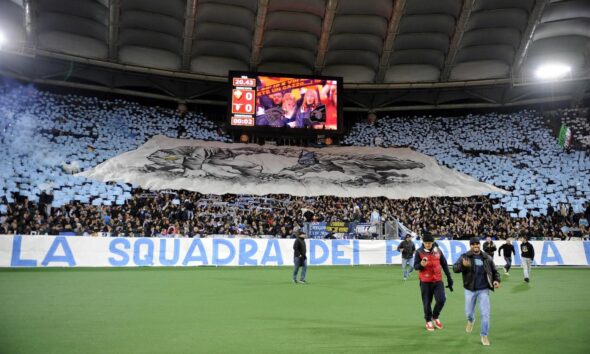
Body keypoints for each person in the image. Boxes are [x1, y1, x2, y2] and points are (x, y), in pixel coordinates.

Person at [453, 237, 500, 346]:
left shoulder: (486, 257)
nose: (475, 246)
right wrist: (463, 266)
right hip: (470, 289)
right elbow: (455, 268)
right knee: (469, 313)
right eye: (473, 244)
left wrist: (496, 280)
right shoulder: (465, 256)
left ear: (479, 244)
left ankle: (484, 335)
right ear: (470, 246)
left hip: (483, 289)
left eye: (477, 244)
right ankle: (471, 320)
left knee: (485, 314)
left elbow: (495, 271)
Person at [413, 234, 453, 331]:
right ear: (423, 242)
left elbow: (444, 264)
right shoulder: (419, 252)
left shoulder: (438, 250)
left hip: (438, 280)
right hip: (425, 282)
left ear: (433, 242)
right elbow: (415, 266)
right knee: (427, 303)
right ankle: (428, 320)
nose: (427, 245)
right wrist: (421, 265)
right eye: (426, 243)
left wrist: (449, 277)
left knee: (441, 299)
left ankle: (435, 317)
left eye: (429, 243)